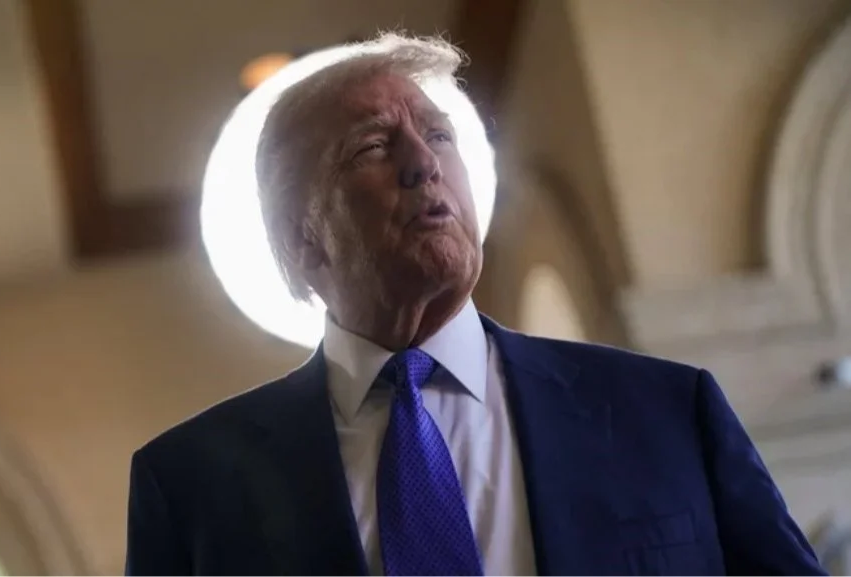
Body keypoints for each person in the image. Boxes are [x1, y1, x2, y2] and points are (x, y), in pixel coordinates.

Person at [124, 33, 824, 576]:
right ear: (301, 238)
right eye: (373, 146)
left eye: (438, 135)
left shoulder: (667, 412)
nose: (423, 163)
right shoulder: (191, 485)